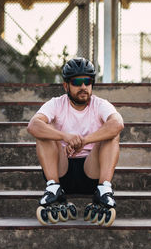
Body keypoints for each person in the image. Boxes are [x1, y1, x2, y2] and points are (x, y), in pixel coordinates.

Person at [27, 57, 124, 226]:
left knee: (112, 133)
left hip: (91, 171)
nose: (83, 87)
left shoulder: (100, 104)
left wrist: (84, 141)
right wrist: (65, 136)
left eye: (87, 81)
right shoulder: (56, 104)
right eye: (77, 82)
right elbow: (33, 125)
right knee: (43, 129)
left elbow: (117, 124)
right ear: (66, 86)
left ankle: (104, 189)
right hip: (61, 170)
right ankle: (53, 187)